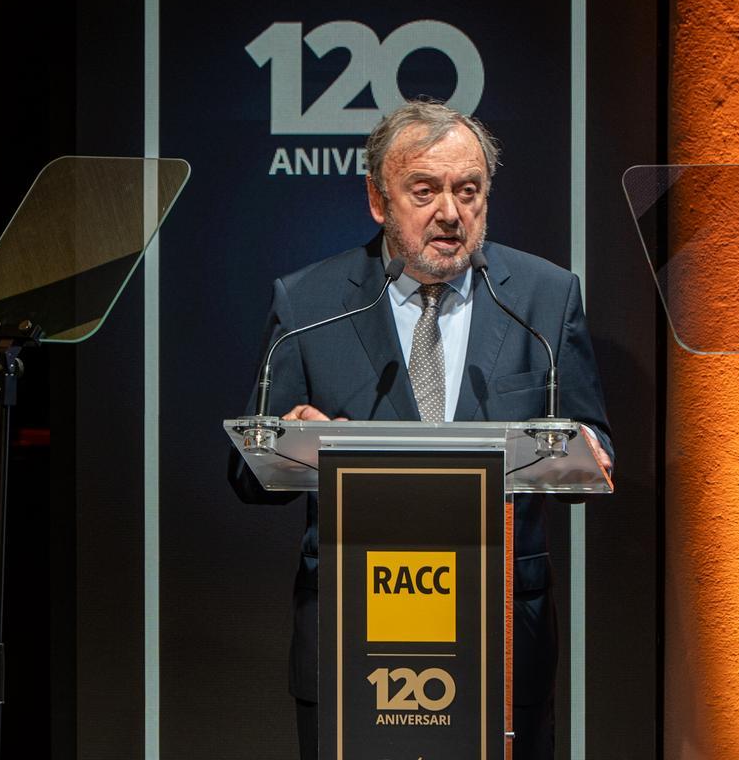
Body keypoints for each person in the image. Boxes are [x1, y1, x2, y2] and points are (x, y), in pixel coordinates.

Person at [228, 99, 612, 760]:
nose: (451, 213)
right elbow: (247, 476)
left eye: (469, 191)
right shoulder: (309, 303)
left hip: (500, 639)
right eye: (425, 191)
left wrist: (590, 453)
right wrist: (291, 441)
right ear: (379, 200)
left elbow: (592, 444)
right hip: (357, 637)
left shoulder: (544, 301)